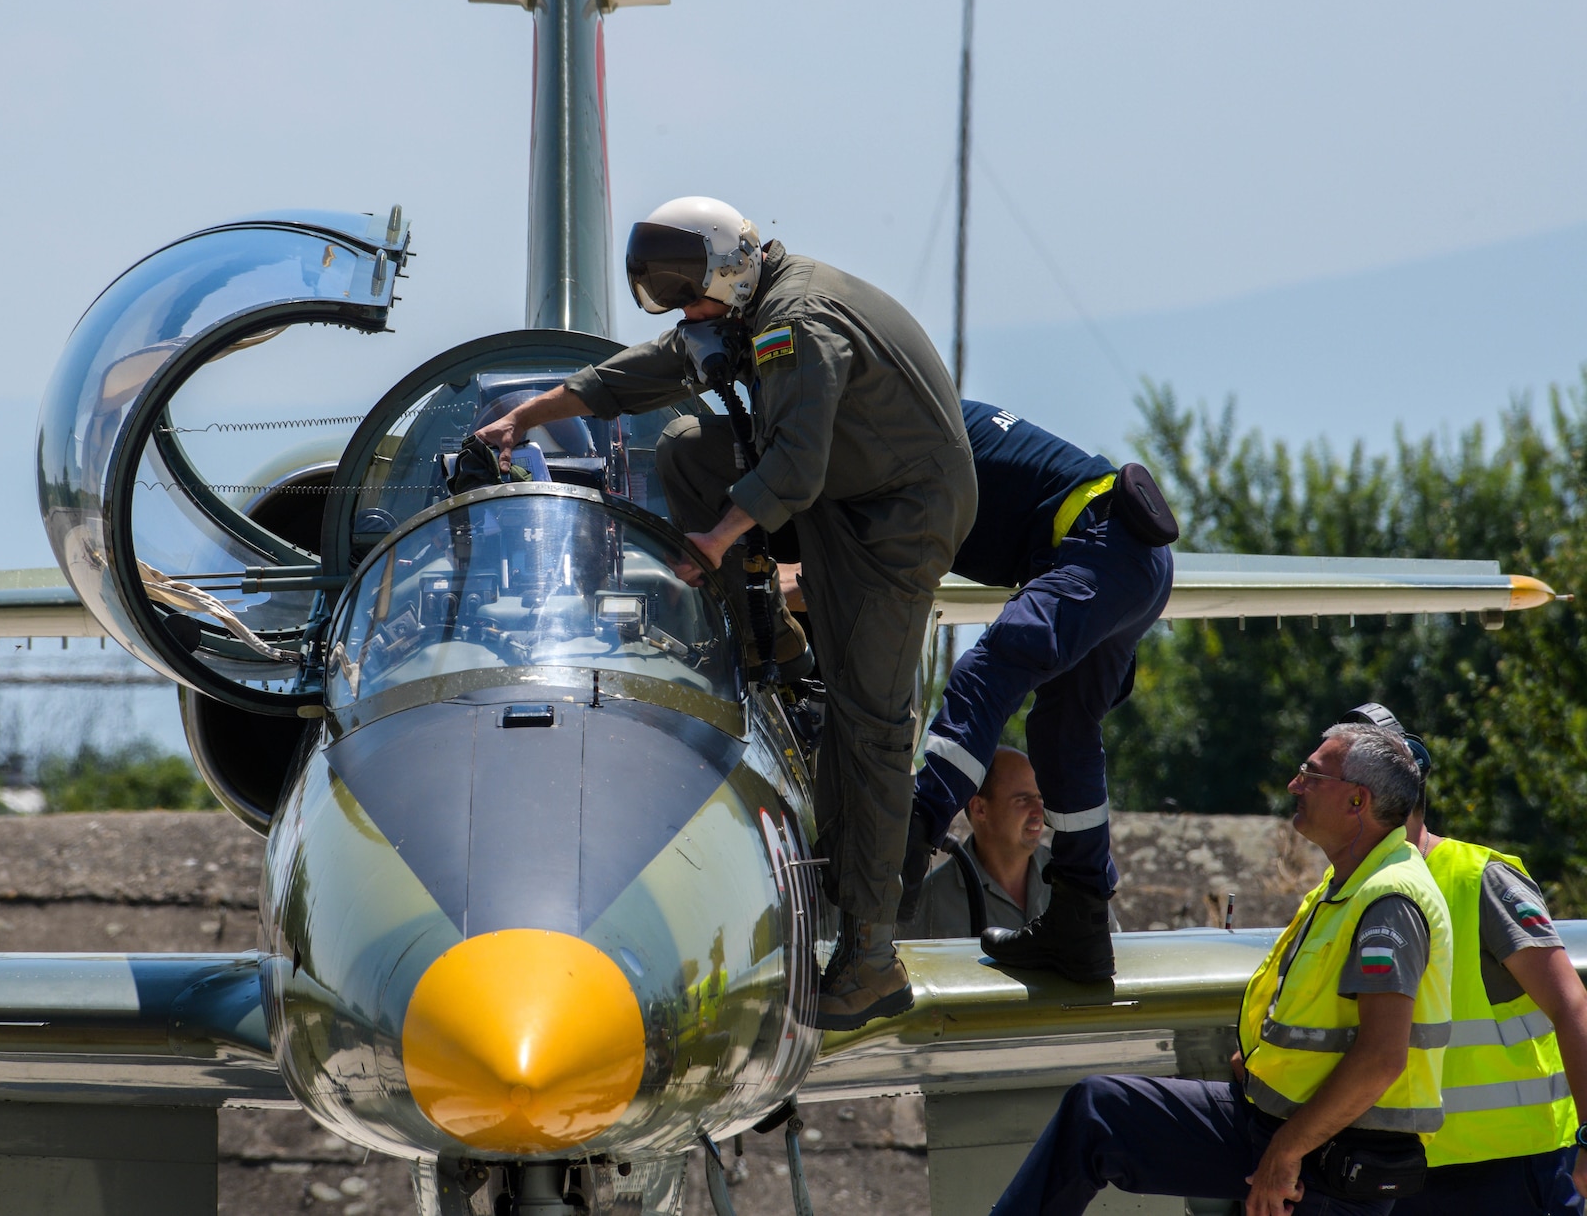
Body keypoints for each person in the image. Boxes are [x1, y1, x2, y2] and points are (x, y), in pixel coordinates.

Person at [473, 196, 977, 1031]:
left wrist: (712, 540)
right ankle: (761, 636)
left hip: (897, 517)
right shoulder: (740, 307)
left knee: (869, 722)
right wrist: (532, 414)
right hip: (844, 497)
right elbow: (643, 374)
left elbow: (795, 465)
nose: (689, 317)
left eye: (692, 299)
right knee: (684, 445)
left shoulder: (794, 321)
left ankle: (871, 957)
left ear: (730, 274)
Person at [989, 723, 1452, 1216]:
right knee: (1097, 1112)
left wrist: (1286, 1151)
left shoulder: (1389, 899)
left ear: (1357, 802)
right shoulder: (1345, 884)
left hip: (1332, 1158)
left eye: (1311, 776)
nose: (1295, 786)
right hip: (1271, 1122)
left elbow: (1382, 1058)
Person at [899, 400, 1177, 983]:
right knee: (1063, 729)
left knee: (987, 671)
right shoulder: (921, 423)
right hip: (1138, 561)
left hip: (1100, 546)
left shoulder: (893, 435)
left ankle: (909, 838)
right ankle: (1080, 921)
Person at [1335, 703, 1587, 1216]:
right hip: (1397, 1169)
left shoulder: (1481, 879)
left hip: (1514, 1169)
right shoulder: (1342, 890)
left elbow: (1572, 1008)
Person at [903, 747, 1051, 940]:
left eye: (1040, 798)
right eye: (1023, 800)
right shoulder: (930, 902)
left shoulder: (1072, 877)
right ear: (979, 808)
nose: (1040, 812)